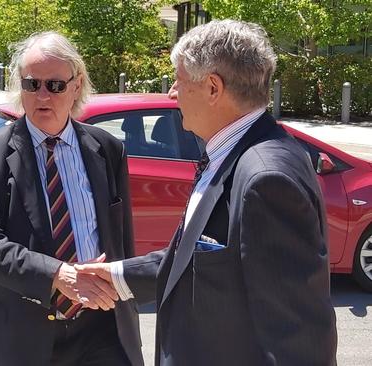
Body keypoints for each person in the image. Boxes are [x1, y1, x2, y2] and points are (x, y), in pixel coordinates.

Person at [77, 20, 338, 365]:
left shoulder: (265, 178)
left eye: (180, 81)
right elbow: (197, 260)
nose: (172, 93)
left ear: (213, 88)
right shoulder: (233, 153)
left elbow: (299, 340)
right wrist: (116, 276)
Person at [0, 31, 143, 366]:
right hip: (22, 337)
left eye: (55, 85)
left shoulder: (107, 149)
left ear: (76, 85)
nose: (42, 95)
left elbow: (121, 240)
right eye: (32, 84)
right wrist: (58, 274)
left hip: (100, 330)